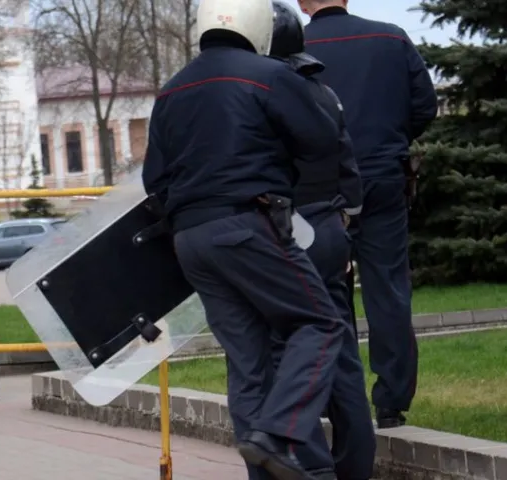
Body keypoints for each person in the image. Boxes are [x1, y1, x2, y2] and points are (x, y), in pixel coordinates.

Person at [142, 0, 348, 478]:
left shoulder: (170, 91)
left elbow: (156, 179)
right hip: (248, 224)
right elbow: (321, 139)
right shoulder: (269, 75)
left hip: (192, 241)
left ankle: (266, 461)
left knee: (247, 360)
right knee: (320, 324)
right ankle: (280, 432)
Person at [298, 0, 439, 428]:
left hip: (320, 187)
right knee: (388, 286)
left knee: (323, 289)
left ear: (303, 3)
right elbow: (424, 108)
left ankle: (334, 397)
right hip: (382, 176)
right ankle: (392, 402)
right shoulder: (391, 37)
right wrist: (388, 140)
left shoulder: (289, 51)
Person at [267, 3, 375, 479]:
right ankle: (356, 465)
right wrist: (342, 226)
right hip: (330, 231)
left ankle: (306, 466)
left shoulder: (258, 97)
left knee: (286, 360)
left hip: (283, 237)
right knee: (342, 354)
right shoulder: (325, 94)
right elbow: (350, 177)